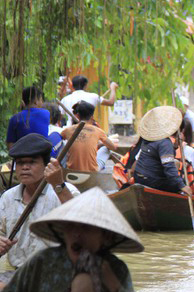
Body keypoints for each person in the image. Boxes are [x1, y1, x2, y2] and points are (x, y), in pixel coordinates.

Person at [4, 187, 143, 291]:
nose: (76, 234)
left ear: (105, 236)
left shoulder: (116, 269)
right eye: (71, 227)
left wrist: (110, 280)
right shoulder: (44, 261)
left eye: (86, 228)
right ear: (63, 231)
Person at [0, 134, 80, 278]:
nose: (25, 167)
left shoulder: (65, 191)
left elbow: (84, 226)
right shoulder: (7, 198)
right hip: (21, 272)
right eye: (20, 162)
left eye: (32, 162)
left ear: (46, 165)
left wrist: (58, 185)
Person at [133, 106, 192, 196]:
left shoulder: (148, 139)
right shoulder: (165, 143)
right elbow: (168, 166)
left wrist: (174, 147)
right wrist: (182, 186)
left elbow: (158, 153)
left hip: (139, 177)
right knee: (178, 182)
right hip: (152, 181)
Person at [60, 101, 117, 172]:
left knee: (62, 146)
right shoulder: (97, 131)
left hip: (71, 171)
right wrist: (101, 144)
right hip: (92, 172)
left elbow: (59, 140)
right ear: (92, 117)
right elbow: (113, 147)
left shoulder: (67, 130)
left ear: (77, 116)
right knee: (106, 149)